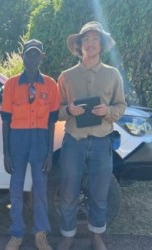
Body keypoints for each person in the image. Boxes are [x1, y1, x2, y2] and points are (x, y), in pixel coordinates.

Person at [56, 21, 127, 250]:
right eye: (85, 39)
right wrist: (69, 111)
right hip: (73, 142)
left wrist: (108, 112)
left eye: (95, 38)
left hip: (100, 143)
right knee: (68, 192)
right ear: (79, 45)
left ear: (102, 44)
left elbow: (121, 106)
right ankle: (68, 235)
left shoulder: (112, 74)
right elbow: (56, 109)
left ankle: (96, 236)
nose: (90, 43)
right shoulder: (66, 76)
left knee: (99, 193)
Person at [0, 39, 60, 250]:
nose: (31, 58)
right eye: (28, 54)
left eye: (36, 54)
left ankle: (40, 234)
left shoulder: (52, 85)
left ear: (42, 57)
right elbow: (6, 120)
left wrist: (50, 154)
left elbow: (52, 122)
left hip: (41, 140)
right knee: (15, 188)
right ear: (23, 57)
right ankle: (16, 232)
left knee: (41, 189)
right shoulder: (11, 84)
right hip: (18, 140)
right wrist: (6, 153)